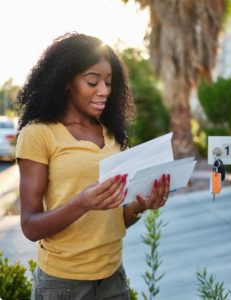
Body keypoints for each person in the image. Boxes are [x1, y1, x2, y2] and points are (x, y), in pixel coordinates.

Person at [16, 32, 170, 300]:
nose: (105, 91)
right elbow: (30, 226)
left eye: (109, 83)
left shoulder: (111, 134)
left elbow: (110, 220)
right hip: (63, 284)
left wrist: (138, 206)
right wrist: (83, 202)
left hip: (113, 277)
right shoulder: (39, 134)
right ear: (66, 82)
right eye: (92, 81)